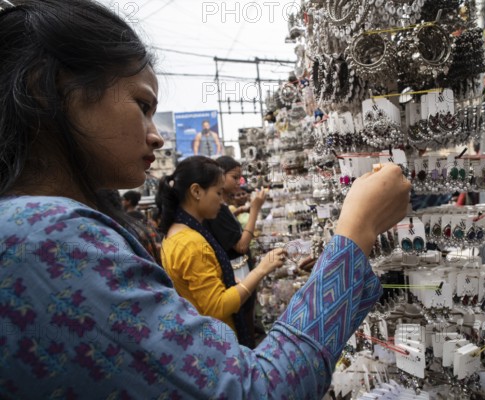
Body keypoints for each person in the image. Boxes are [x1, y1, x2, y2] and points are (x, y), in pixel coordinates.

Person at [0, 1, 412, 397]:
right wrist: (356, 231)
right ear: (48, 89)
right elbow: (256, 391)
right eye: (142, 105)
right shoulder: (48, 239)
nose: (156, 134)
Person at [156, 156, 284, 348]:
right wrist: (261, 269)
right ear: (197, 191)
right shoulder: (191, 243)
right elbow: (218, 307)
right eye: (217, 192)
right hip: (217, 341)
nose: (221, 200)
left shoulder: (176, 233)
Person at [203, 155, 267, 347]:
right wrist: (254, 209)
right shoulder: (218, 210)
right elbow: (241, 246)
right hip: (237, 272)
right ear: (220, 177)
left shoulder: (222, 209)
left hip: (237, 270)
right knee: (245, 320)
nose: (239, 181)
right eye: (234, 177)